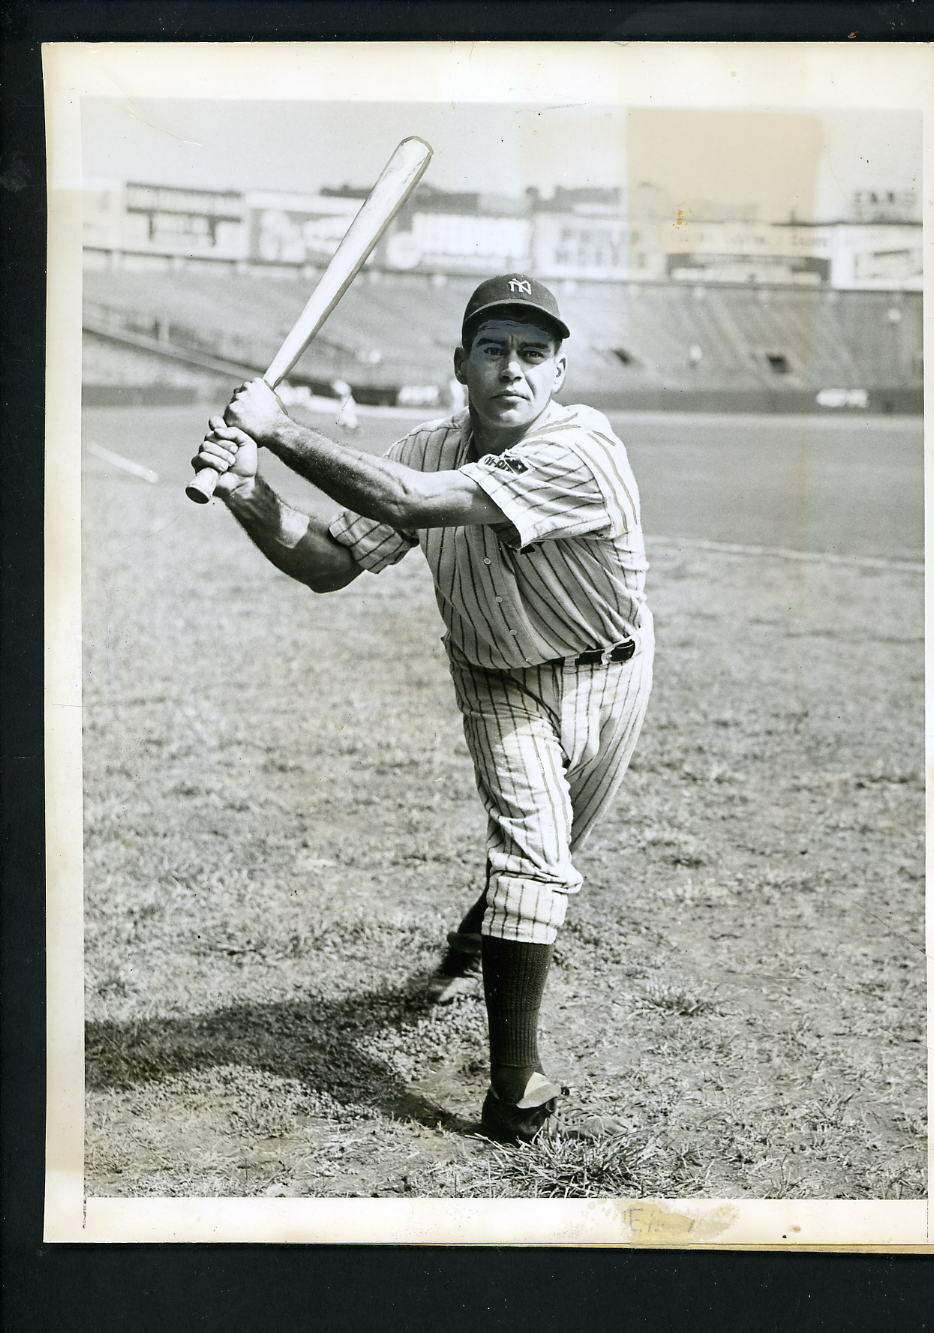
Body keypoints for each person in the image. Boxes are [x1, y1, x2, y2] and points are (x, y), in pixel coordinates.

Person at [191, 274, 653, 1142]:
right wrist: (247, 488)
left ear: (558, 372)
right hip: (496, 677)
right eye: (493, 349)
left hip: (611, 672)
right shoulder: (423, 446)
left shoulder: (585, 449)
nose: (511, 369)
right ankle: (514, 1086)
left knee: (552, 848)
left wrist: (279, 428)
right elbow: (330, 561)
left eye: (532, 353)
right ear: (460, 364)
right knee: (533, 861)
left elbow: (407, 503)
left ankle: (485, 927)